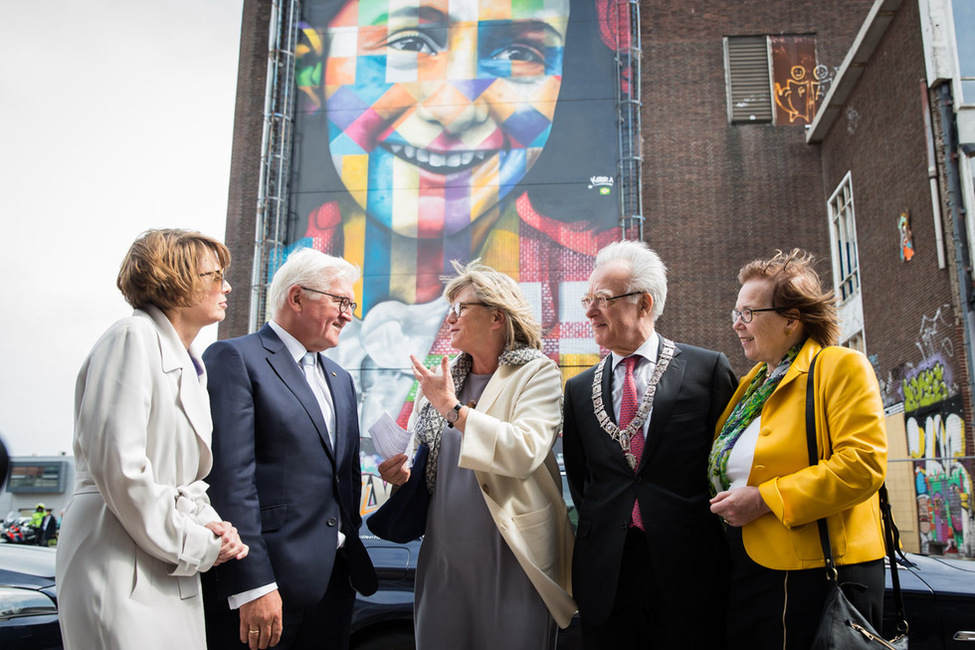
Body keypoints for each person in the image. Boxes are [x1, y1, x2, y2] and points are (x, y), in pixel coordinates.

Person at [284, 0, 626, 430]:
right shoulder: (282, 278)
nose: (457, 110)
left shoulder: (587, 286)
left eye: (519, 53)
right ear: (313, 69)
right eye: (409, 42)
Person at [56, 229, 248, 650]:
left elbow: (183, 479)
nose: (227, 287)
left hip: (161, 553)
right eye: (214, 276)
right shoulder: (131, 337)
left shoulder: (188, 362)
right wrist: (198, 542)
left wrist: (213, 525)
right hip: (117, 554)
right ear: (175, 281)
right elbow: (121, 469)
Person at [378, 260, 576, 649]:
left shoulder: (538, 373)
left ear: (497, 317)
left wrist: (453, 409)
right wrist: (399, 476)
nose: (449, 319)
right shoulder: (443, 379)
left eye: (460, 309)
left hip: (513, 556)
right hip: (444, 557)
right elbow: (427, 464)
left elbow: (524, 450)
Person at [708, 249, 888, 649]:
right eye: (735, 313)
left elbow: (862, 466)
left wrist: (764, 500)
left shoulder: (840, 367)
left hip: (817, 574)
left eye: (749, 313)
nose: (737, 324)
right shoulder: (751, 385)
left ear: (792, 319)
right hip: (754, 566)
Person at [562, 240, 737, 648]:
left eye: (601, 299)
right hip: (607, 577)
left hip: (691, 573)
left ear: (643, 303)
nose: (589, 311)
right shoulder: (577, 389)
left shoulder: (707, 369)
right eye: (588, 299)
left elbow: (728, 464)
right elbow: (584, 483)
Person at [202, 248, 378, 650]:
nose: (349, 314)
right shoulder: (236, 358)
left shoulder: (341, 378)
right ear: (297, 298)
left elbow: (343, 480)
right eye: (341, 301)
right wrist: (253, 585)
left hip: (334, 586)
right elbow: (230, 480)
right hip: (266, 591)